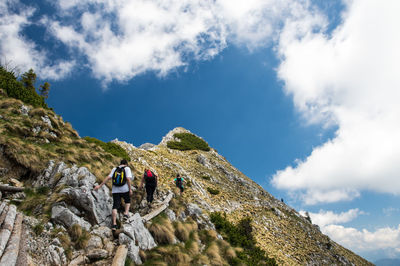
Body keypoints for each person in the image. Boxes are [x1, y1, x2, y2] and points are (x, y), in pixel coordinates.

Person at [94, 159, 133, 230]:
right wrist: (130, 189)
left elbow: (108, 177)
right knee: (127, 201)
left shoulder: (115, 169)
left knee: (115, 206)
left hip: (115, 190)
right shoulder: (127, 168)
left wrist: (99, 186)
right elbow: (128, 179)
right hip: (125, 190)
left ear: (120, 163)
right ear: (126, 164)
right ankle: (126, 213)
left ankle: (114, 224)